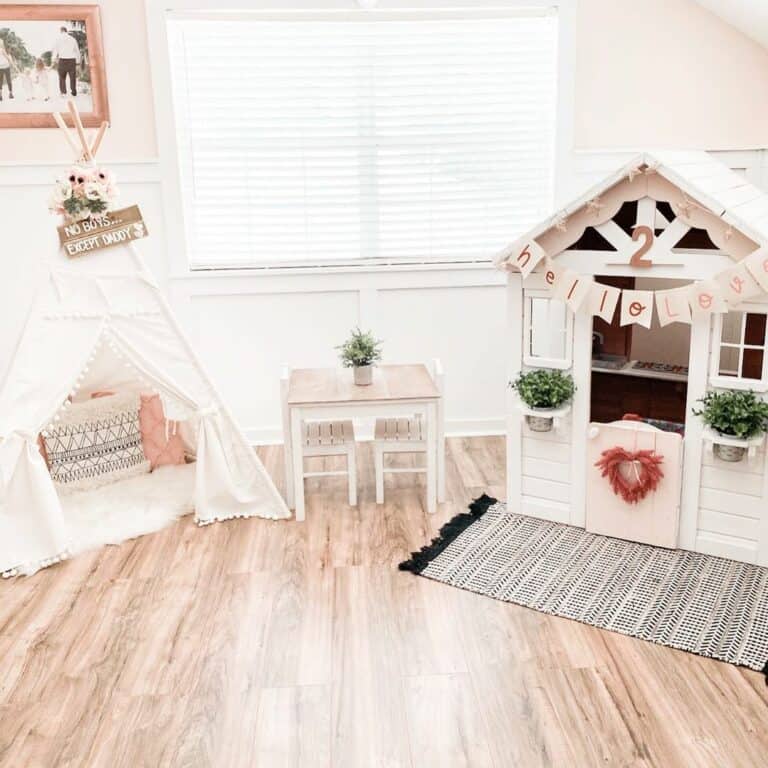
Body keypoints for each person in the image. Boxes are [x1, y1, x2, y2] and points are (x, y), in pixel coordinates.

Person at [52, 26, 80, 97]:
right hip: (72, 60)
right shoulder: (73, 39)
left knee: (62, 77)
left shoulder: (58, 39)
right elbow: (77, 51)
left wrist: (54, 59)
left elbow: (55, 50)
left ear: (61, 31)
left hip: (62, 60)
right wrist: (78, 61)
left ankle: (63, 92)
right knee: (72, 76)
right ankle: (73, 91)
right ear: (66, 31)